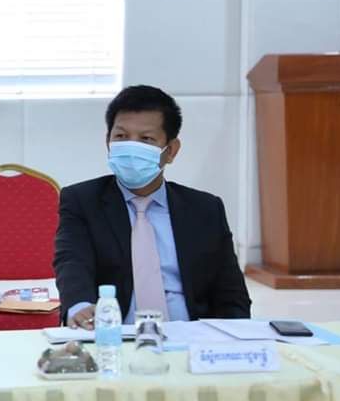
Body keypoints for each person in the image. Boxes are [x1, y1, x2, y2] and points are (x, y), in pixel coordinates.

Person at [54, 84, 251, 329]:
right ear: (108, 142)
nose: (131, 147)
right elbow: (72, 261)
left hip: (190, 336)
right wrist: (79, 306)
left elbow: (231, 293)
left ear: (171, 151)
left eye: (146, 139)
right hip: (114, 335)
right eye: (121, 137)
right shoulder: (82, 200)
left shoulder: (205, 209)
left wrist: (232, 337)